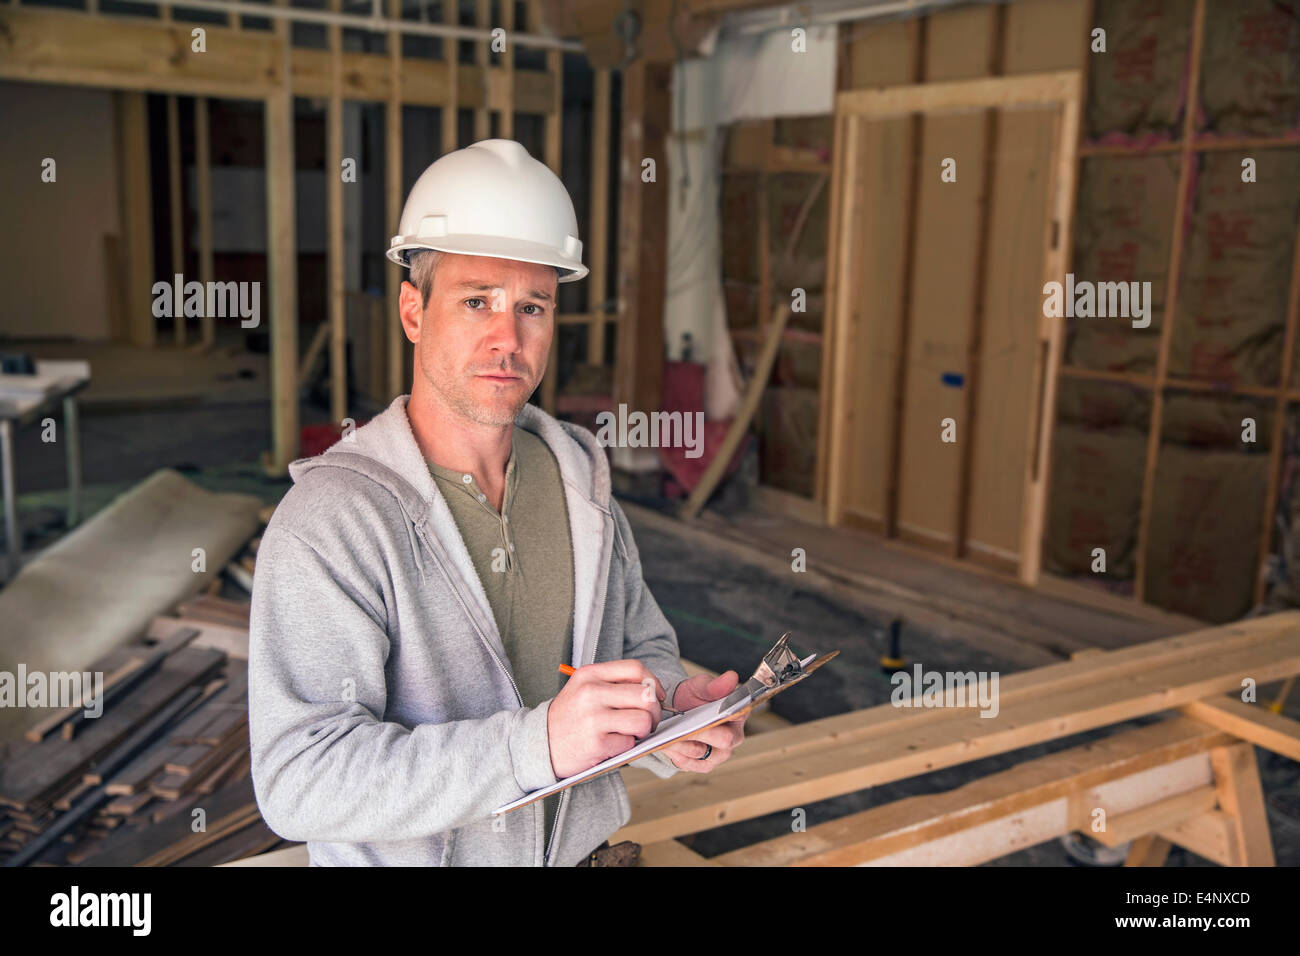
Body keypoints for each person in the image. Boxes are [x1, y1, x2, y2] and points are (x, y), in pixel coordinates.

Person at [248, 139, 747, 866]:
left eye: (532, 307)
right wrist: (533, 746)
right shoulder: (334, 523)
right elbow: (302, 780)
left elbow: (641, 651)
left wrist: (671, 711)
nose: (507, 338)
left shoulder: (582, 483)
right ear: (414, 311)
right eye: (476, 301)